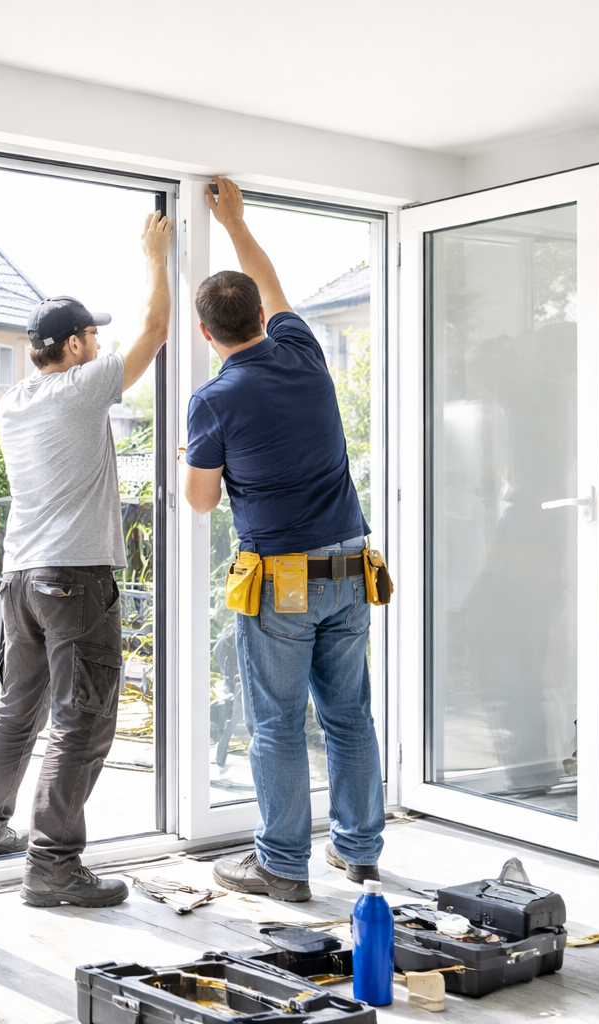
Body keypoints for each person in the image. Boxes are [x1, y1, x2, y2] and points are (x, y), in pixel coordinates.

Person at [0, 211, 173, 909]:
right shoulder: (81, 390)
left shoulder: (16, 401)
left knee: (19, 708)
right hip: (74, 579)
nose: (101, 344)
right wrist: (154, 255)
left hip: (20, 575)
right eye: (92, 336)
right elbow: (157, 332)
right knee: (82, 719)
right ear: (74, 346)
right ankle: (53, 865)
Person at [184, 178, 383, 902]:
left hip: (286, 578)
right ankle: (359, 852)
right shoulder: (302, 351)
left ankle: (282, 866)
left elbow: (201, 502)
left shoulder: (213, 399)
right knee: (349, 714)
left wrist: (201, 457)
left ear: (208, 335)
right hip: (352, 564)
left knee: (274, 723)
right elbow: (271, 285)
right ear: (264, 321)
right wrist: (234, 222)